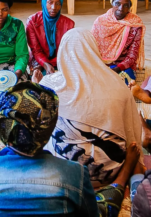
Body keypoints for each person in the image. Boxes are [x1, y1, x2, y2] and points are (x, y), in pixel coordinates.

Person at [0, 82, 141, 217]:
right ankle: (125, 174)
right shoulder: (74, 173)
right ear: (51, 127)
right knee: (101, 203)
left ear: (2, 129)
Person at [41, 28, 143, 188]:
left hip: (61, 174)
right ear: (95, 51)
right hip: (107, 171)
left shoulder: (49, 85)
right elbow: (131, 133)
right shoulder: (117, 85)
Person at [92, 0, 146, 81]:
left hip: (123, 67)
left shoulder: (135, 24)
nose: (121, 9)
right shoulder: (100, 21)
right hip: (101, 63)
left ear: (130, 7)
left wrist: (117, 68)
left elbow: (132, 56)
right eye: (117, 4)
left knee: (123, 81)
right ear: (112, 3)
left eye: (126, 5)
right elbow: (93, 49)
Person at [26, 0, 75, 82]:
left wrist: (50, 64)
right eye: (50, 2)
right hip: (38, 59)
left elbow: (66, 51)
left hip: (59, 59)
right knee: (39, 79)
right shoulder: (32, 21)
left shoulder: (69, 24)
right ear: (44, 2)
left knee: (67, 80)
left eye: (58, 3)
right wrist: (45, 64)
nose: (53, 7)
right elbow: (36, 50)